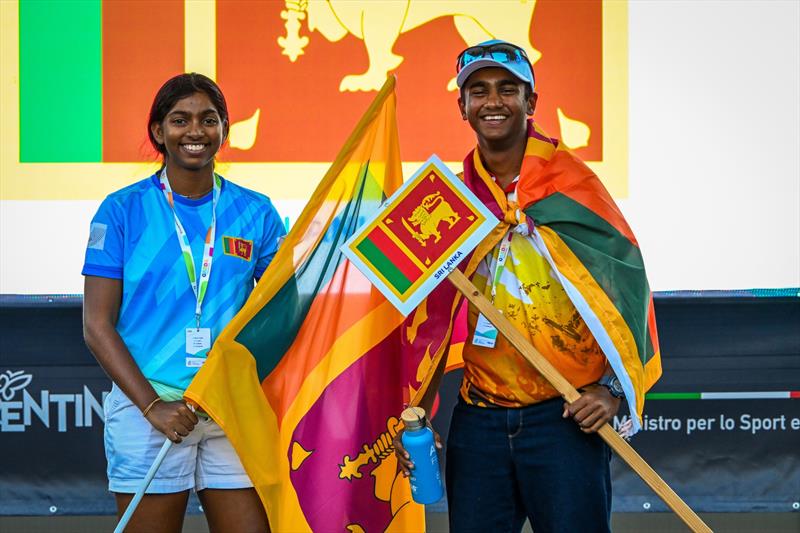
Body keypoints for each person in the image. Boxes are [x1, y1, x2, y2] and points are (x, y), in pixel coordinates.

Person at [395, 40, 660, 532]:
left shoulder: (573, 185)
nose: (492, 101)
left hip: (564, 417)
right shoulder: (447, 202)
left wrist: (611, 392)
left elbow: (627, 288)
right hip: (479, 421)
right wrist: (416, 409)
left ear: (531, 102)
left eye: (507, 89)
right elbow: (422, 316)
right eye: (478, 91)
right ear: (463, 107)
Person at [82, 73, 285, 533]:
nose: (195, 132)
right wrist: (153, 406)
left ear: (225, 130)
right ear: (158, 131)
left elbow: (284, 309)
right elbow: (96, 326)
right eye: (180, 120)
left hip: (230, 410)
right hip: (148, 409)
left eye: (208, 120)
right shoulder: (121, 211)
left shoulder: (256, 211)